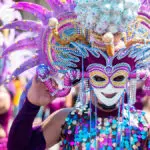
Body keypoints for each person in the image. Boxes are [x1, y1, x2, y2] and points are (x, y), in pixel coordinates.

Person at [2, 0, 149, 149]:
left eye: (118, 77)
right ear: (86, 76)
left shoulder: (142, 124)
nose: (109, 85)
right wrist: (31, 105)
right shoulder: (67, 120)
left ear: (129, 76)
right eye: (99, 77)